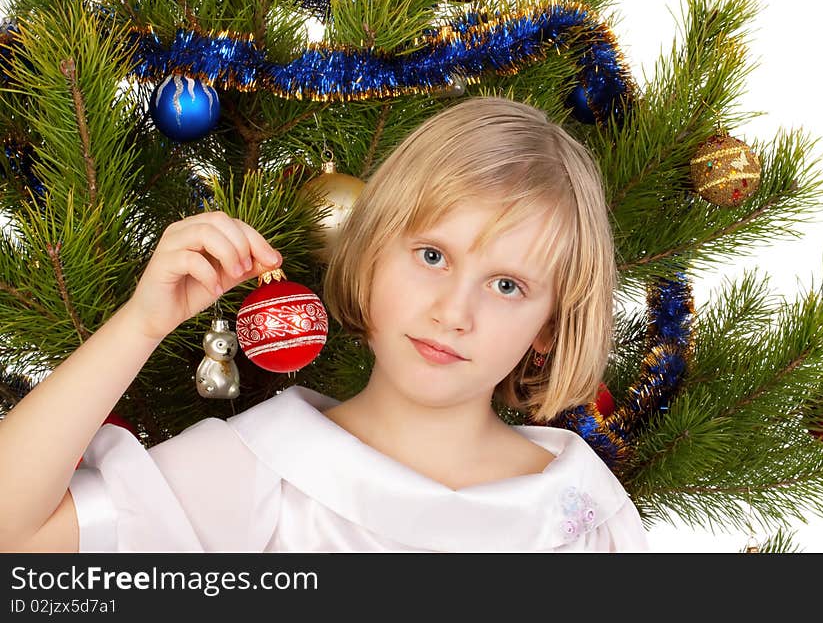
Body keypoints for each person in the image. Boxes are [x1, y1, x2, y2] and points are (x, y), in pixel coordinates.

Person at [0, 96, 649, 552]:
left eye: (507, 285)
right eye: (431, 255)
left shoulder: (583, 512)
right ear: (368, 256)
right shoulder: (261, 469)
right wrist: (142, 323)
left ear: (549, 325)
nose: (454, 312)